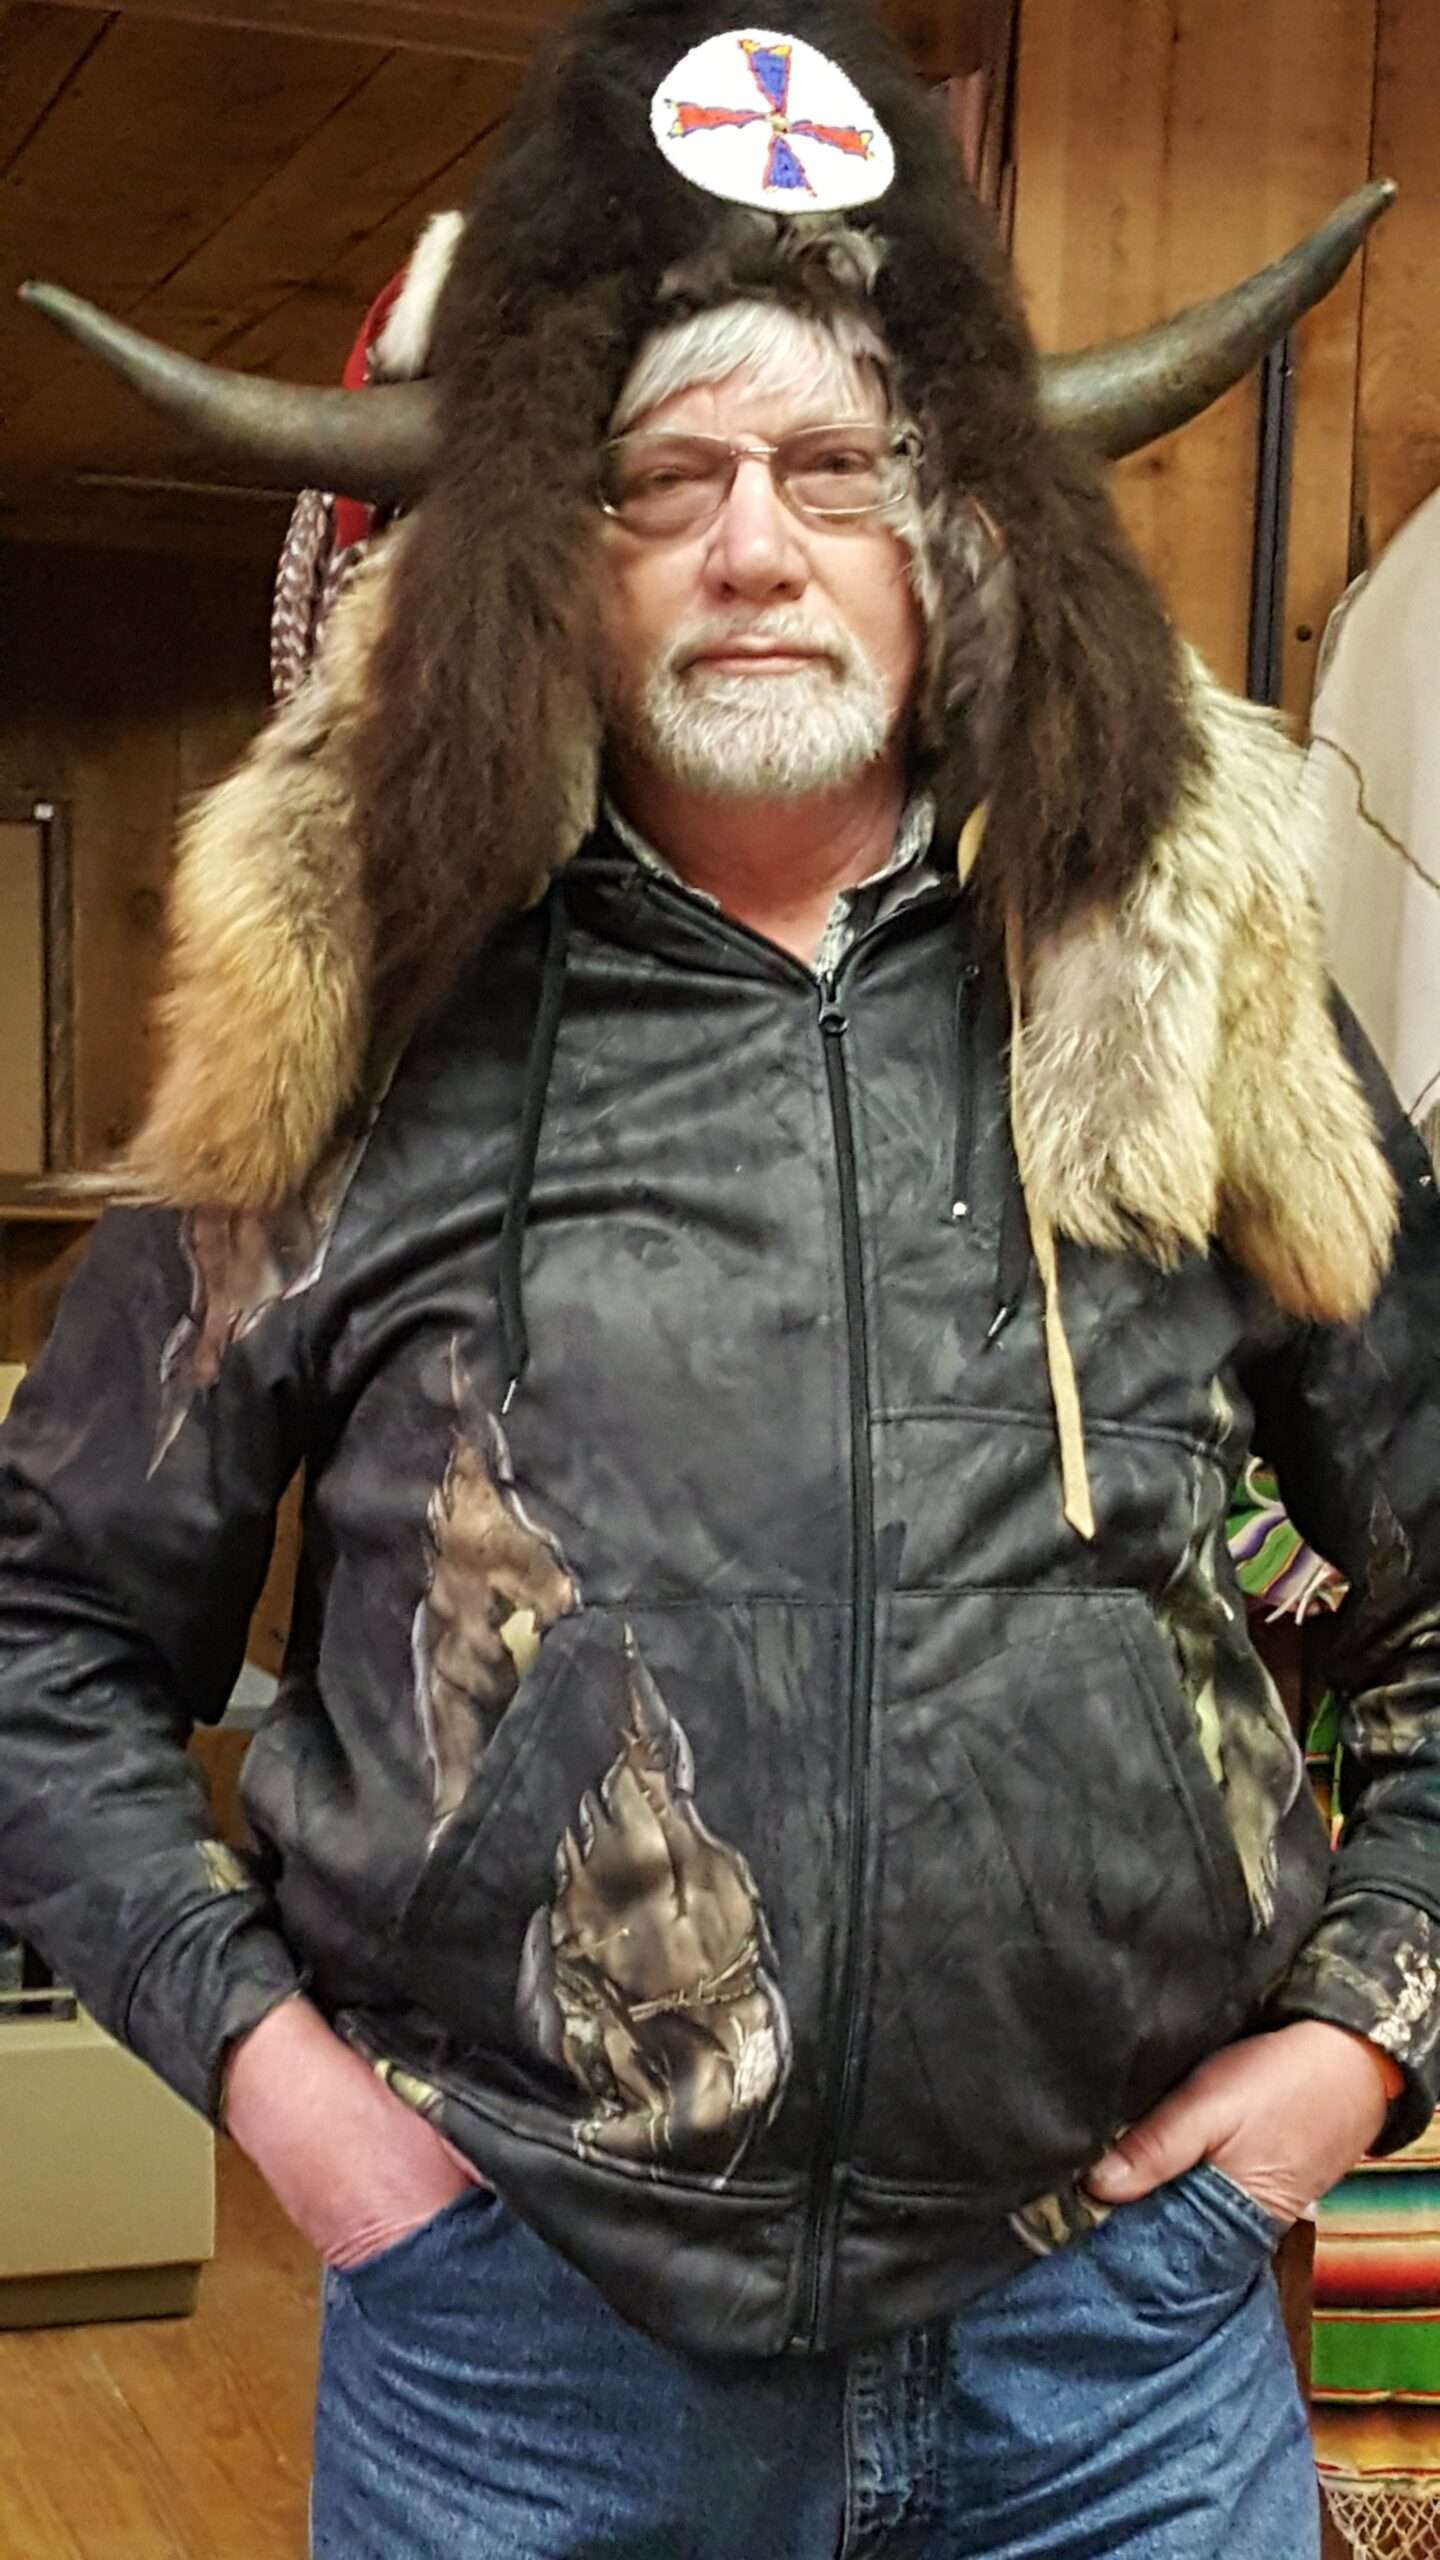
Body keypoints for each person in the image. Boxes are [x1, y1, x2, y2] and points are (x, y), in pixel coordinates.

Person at [2, 5, 1438, 2555]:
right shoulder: (346, 1021)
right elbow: (47, 1641)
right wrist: (294, 2107)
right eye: (662, 476)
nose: (755, 547)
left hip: (1111, 2358)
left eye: (837, 467)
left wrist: (1363, 2033)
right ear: (547, 545)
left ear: (955, 523)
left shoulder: (1185, 985)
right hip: (520, 2369)